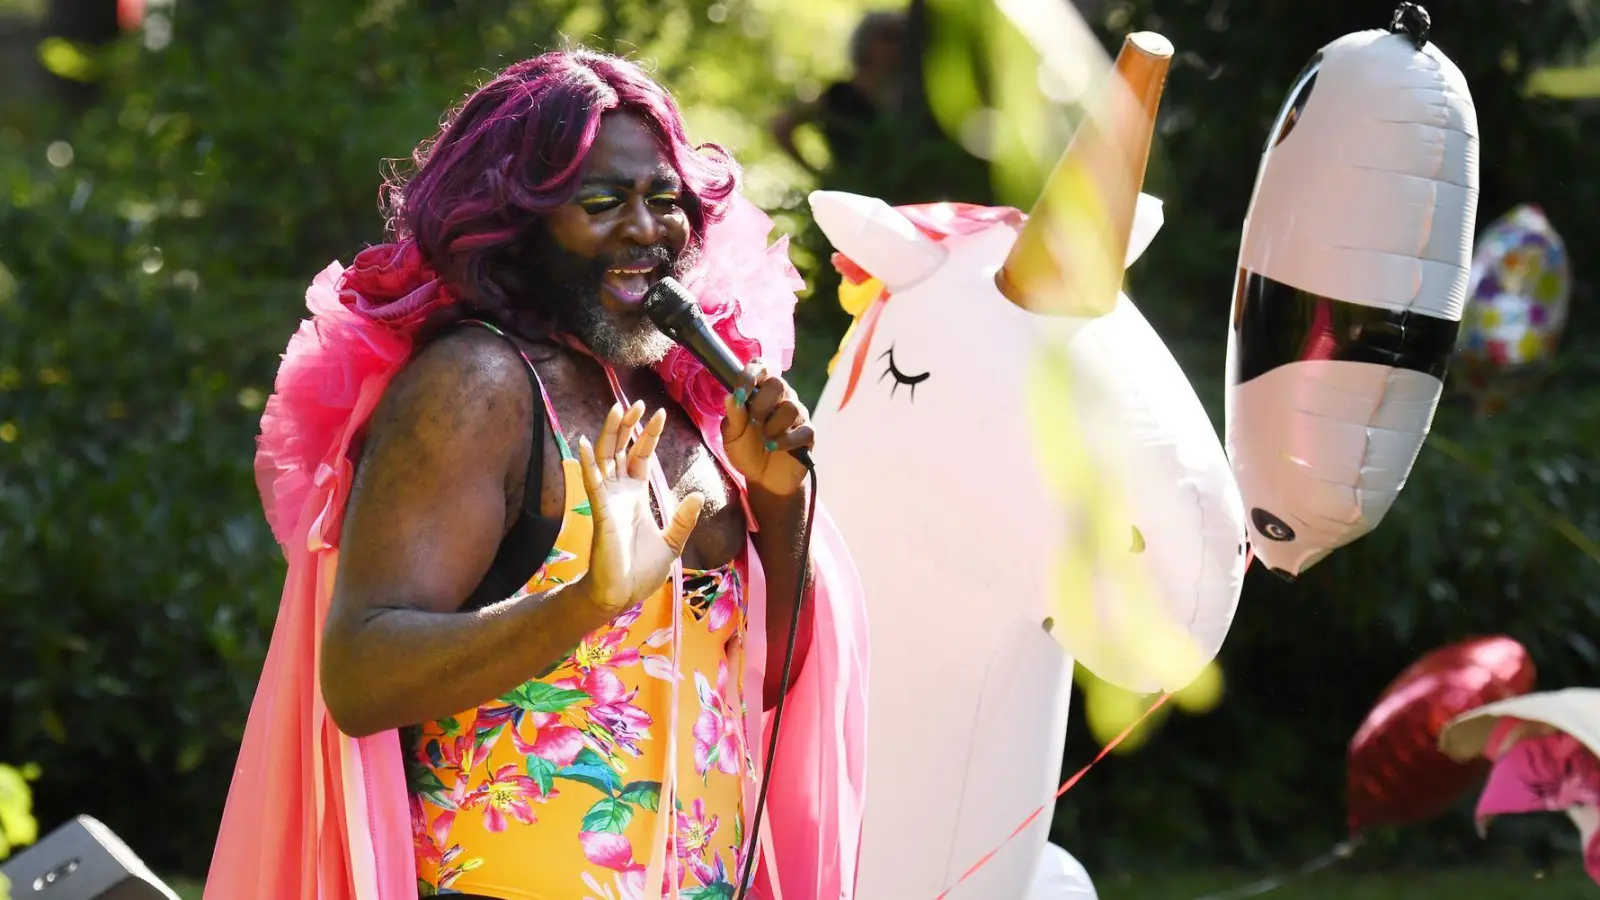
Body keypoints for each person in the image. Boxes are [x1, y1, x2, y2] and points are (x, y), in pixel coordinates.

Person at [204, 50, 870, 900]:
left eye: (663, 201)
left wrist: (781, 506)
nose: (646, 229)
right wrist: (585, 602)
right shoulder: (479, 385)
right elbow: (362, 676)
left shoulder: (691, 396)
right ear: (516, 220)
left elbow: (760, 684)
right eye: (602, 203)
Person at [770, 9, 909, 178]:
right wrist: (819, 174)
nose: (898, 46)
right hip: (855, 190)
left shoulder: (911, 95)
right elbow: (782, 125)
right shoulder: (839, 96)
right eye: (888, 37)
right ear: (866, 42)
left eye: (902, 38)